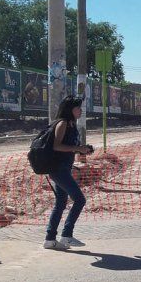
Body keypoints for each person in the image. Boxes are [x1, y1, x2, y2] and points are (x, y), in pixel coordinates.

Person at [44, 96, 93, 250]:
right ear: (70, 109)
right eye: (78, 107)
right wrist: (78, 149)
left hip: (63, 168)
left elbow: (70, 146)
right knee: (79, 200)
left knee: (60, 203)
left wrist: (83, 148)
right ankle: (67, 235)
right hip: (58, 169)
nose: (80, 110)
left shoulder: (72, 124)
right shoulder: (63, 123)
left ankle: (50, 239)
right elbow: (57, 146)